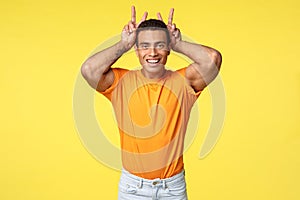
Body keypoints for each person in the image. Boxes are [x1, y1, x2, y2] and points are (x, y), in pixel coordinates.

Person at [81, 6, 222, 200]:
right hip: (133, 189)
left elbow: (212, 60)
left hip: (172, 188)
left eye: (160, 45)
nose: (153, 52)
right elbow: (89, 69)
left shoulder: (183, 82)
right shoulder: (121, 83)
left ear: (168, 50)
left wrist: (178, 43)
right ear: (136, 50)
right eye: (145, 45)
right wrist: (123, 45)